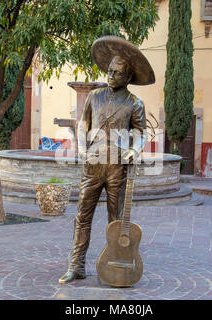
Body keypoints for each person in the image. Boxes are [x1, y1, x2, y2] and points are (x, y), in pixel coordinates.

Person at [58, 36, 155, 284]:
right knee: (82, 215)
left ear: (128, 77)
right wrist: (81, 148)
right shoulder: (94, 96)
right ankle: (76, 265)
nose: (111, 75)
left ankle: (116, 267)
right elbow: (83, 124)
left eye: (117, 72)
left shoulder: (135, 103)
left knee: (117, 220)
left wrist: (135, 150)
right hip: (93, 165)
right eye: (109, 71)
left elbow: (140, 132)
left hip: (117, 167)